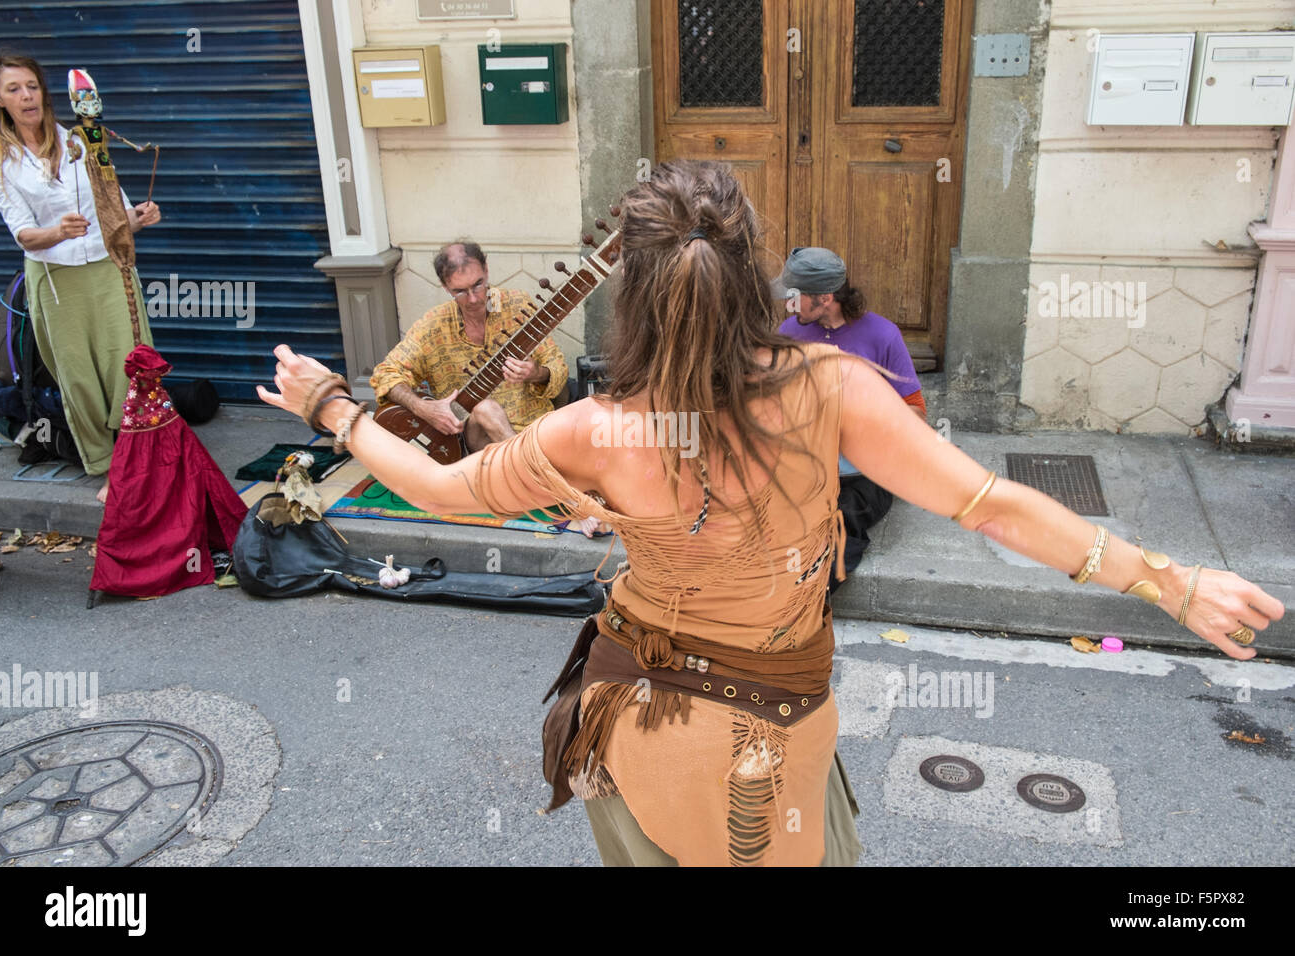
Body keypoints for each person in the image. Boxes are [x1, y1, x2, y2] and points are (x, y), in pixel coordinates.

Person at [259, 159, 1283, 867]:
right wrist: (1167, 580)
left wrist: (331, 406)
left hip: (626, 727)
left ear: (638, 295)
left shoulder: (597, 429)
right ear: (754, 266)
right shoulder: (831, 389)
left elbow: (435, 486)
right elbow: (995, 506)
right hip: (772, 742)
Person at [0, 54, 160, 503]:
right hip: (57, 280)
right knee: (80, 378)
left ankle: (136, 458)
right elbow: (24, 233)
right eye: (14, 89)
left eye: (31, 85)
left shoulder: (83, 141)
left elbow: (114, 209)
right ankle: (107, 466)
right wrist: (56, 232)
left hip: (108, 270)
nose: (26, 95)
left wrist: (138, 218)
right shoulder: (3, 162)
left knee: (128, 366)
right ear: (0, 99)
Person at [776, 246, 924, 579]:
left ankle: (807, 608)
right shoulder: (788, 334)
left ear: (825, 298)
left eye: (796, 297)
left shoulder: (883, 335)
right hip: (807, 469)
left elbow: (916, 412)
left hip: (865, 475)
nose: (789, 305)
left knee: (840, 523)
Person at [368, 241, 569, 453]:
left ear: (487, 271)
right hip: (477, 442)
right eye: (460, 291)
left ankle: (528, 461)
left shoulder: (518, 306)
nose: (473, 299)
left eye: (478, 285)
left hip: (533, 428)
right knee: (485, 409)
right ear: (445, 287)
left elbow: (558, 368)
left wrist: (536, 373)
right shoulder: (434, 326)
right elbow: (385, 373)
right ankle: (534, 466)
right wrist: (424, 408)